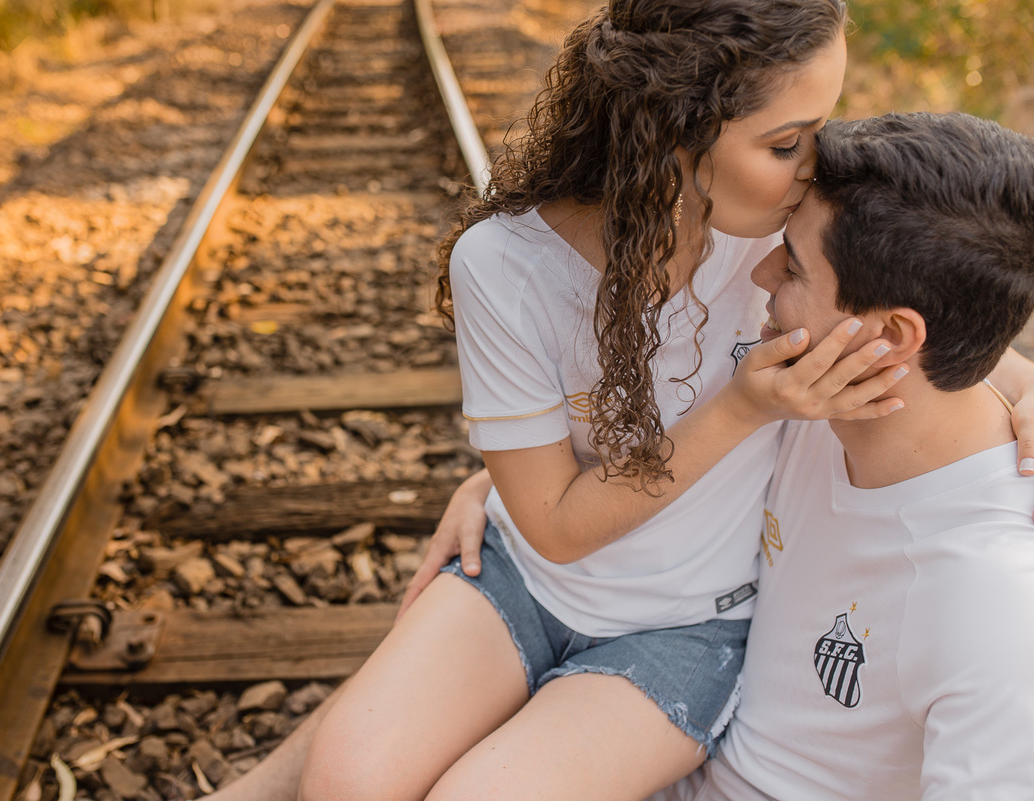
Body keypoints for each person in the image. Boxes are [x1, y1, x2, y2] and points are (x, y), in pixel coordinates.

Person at [201, 2, 1034, 800]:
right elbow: (555, 524)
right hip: (529, 576)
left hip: (688, 623)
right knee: (344, 780)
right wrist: (503, 477)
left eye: (819, 129)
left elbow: (937, 327)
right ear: (676, 129)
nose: (816, 167)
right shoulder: (516, 264)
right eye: (787, 142)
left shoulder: (772, 237)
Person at [645, 111, 1034, 800]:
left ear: (891, 336)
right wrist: (501, 491)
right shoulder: (799, 397)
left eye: (793, 266)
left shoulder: (990, 593)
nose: (760, 272)